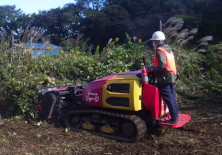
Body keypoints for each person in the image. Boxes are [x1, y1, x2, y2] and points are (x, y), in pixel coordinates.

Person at [149, 31, 179, 124]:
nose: (153, 42)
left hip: (164, 77)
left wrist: (154, 69)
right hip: (172, 75)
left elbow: (162, 64)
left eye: (153, 40)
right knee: (172, 97)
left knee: (169, 97)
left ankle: (174, 119)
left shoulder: (159, 50)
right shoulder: (168, 48)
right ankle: (175, 116)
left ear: (156, 40)